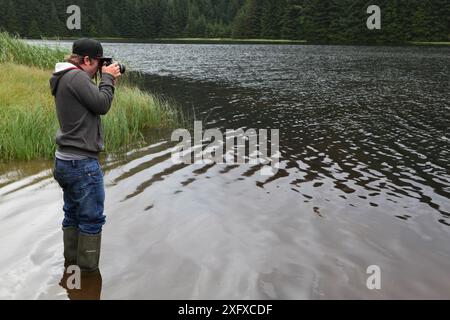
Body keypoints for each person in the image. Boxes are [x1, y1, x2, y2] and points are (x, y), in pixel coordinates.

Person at [50, 38, 121, 272]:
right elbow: (102, 104)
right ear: (86, 60)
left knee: (72, 215)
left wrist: (104, 78)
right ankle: (88, 281)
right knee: (91, 221)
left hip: (64, 161)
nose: (100, 68)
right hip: (81, 165)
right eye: (98, 63)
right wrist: (108, 79)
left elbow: (91, 103)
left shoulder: (63, 77)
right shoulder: (77, 77)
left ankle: (71, 271)